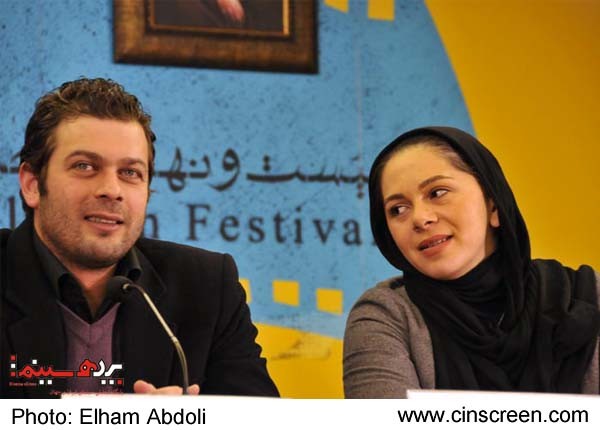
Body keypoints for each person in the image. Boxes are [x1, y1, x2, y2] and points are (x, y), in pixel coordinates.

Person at [0, 77, 279, 398]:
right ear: (33, 185)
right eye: (85, 166)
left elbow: (259, 416)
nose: (111, 190)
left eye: (130, 172)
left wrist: (191, 420)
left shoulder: (207, 287)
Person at [343, 126, 600, 398]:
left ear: (493, 204)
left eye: (437, 193)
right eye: (398, 209)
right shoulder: (385, 316)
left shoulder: (585, 295)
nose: (420, 218)